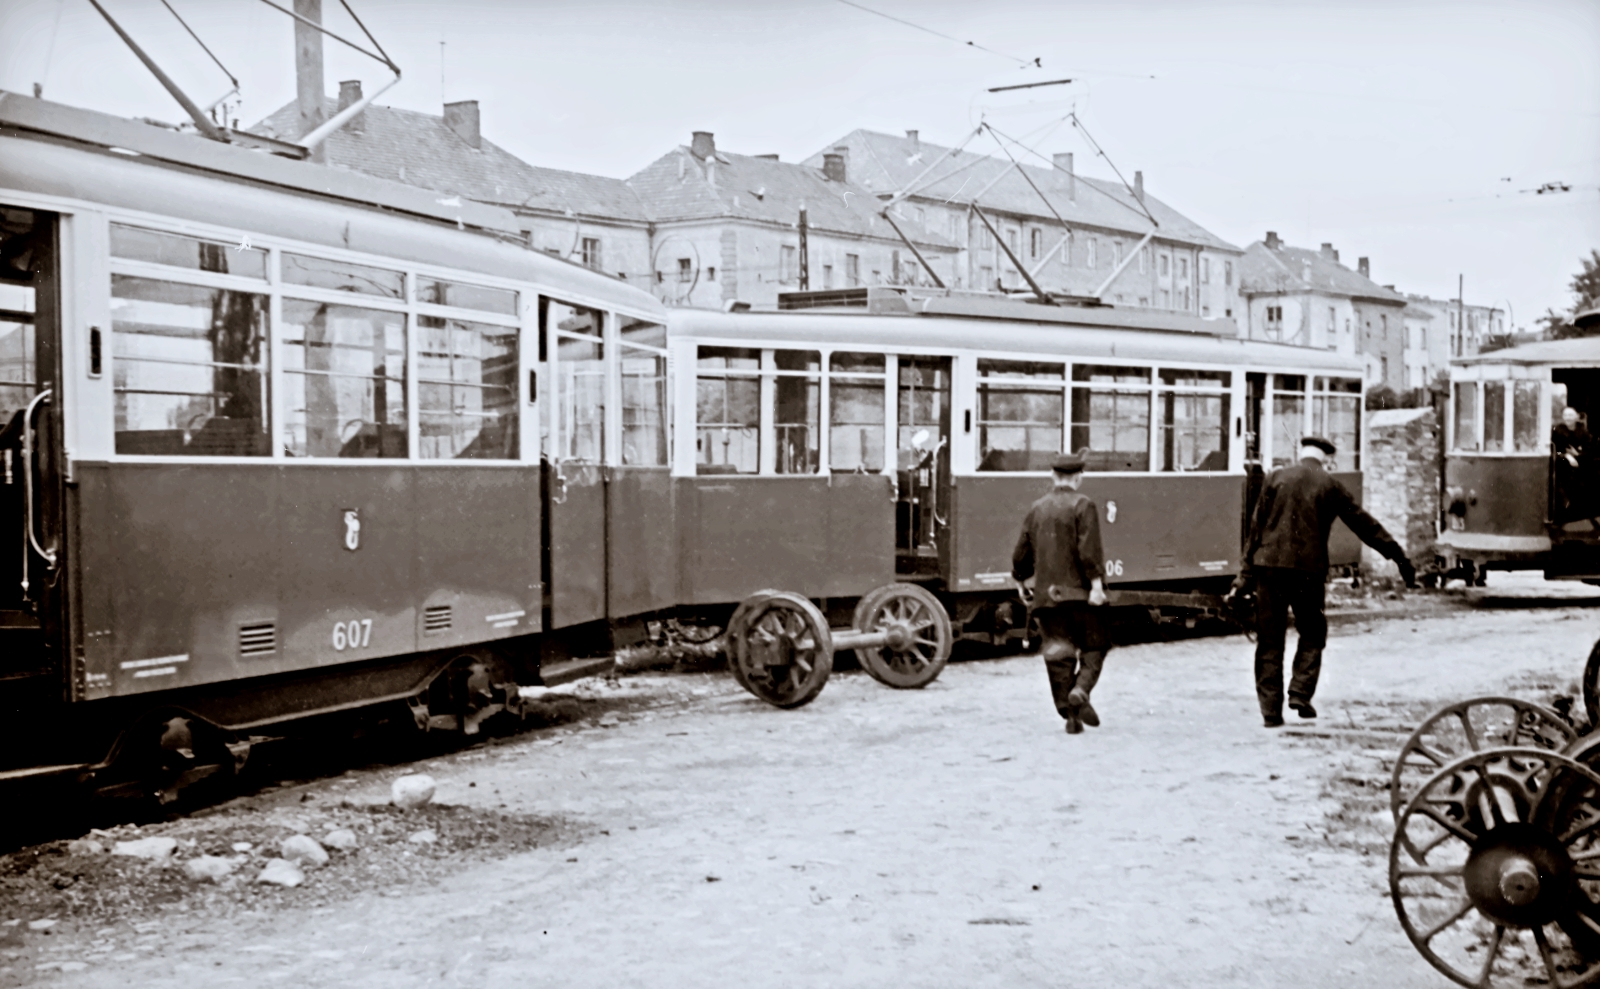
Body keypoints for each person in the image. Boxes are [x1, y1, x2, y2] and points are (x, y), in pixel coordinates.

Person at [1227, 436, 1416, 728]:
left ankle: (1271, 714)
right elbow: (1364, 524)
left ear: (1299, 453)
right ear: (1327, 459)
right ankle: (1300, 693)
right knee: (1313, 632)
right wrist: (1398, 556)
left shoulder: (1275, 476)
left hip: (1269, 568)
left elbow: (1256, 529)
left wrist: (1244, 578)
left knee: (1269, 641)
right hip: (1308, 571)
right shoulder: (1329, 484)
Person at [1011, 449, 1110, 734]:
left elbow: (1021, 553)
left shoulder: (1037, 507)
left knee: (1058, 655)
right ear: (1078, 477)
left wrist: (1020, 580)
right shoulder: (1084, 505)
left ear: (1053, 476)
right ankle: (1081, 689)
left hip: (1047, 598)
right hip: (1080, 597)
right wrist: (1095, 586)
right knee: (1095, 645)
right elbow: (1089, 551)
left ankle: (1070, 715)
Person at [1552, 407, 1592, 522]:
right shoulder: (1558, 430)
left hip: (1581, 463)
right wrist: (1567, 456)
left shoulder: (1583, 431)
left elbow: (1588, 450)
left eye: (1570, 415)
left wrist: (1578, 455)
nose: (1568, 418)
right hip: (1563, 462)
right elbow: (1555, 449)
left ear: (1576, 417)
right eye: (1565, 415)